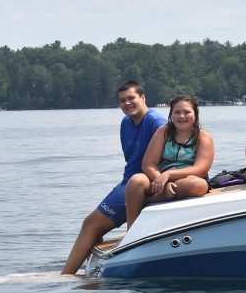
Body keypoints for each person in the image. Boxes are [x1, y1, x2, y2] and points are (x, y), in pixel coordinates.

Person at [61, 81, 168, 274]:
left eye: (131, 98)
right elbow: (131, 158)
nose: (127, 103)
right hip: (127, 181)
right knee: (94, 227)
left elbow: (168, 155)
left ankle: (66, 276)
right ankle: (90, 273)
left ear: (143, 98)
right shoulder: (126, 123)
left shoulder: (156, 122)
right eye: (122, 100)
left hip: (141, 182)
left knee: (91, 224)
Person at [124, 94, 215, 228]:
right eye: (177, 112)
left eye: (187, 112)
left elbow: (200, 169)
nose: (181, 116)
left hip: (185, 181)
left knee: (198, 185)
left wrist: (169, 175)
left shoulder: (203, 137)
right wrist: (162, 181)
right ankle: (130, 230)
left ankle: (143, 201)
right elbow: (148, 164)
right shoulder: (163, 132)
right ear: (171, 115)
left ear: (195, 114)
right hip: (158, 179)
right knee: (136, 180)